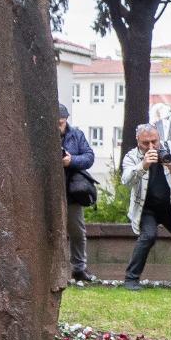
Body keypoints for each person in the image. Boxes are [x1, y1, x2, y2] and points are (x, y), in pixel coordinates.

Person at [119, 124, 171, 288]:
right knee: (148, 236)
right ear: (137, 141)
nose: (151, 147)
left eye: (154, 141)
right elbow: (126, 180)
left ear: (159, 137)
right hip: (146, 209)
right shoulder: (132, 156)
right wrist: (143, 165)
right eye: (145, 143)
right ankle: (131, 278)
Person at [59, 104, 95, 283]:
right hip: (52, 190)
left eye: (62, 121)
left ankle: (79, 268)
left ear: (66, 119)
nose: (59, 125)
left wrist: (71, 160)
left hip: (72, 190)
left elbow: (89, 157)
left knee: (77, 231)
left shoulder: (76, 135)